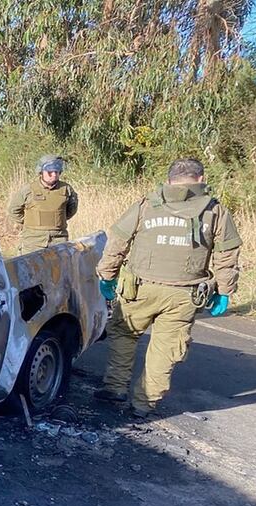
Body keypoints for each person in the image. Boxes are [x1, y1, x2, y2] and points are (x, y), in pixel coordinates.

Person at [94, 158, 242, 417]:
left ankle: (115, 388)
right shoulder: (215, 211)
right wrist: (224, 291)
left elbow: (118, 242)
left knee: (124, 334)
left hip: (139, 290)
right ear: (201, 179)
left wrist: (107, 275)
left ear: (170, 180)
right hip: (184, 295)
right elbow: (226, 256)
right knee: (166, 348)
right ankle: (143, 403)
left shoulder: (146, 205)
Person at [7, 155, 79, 253]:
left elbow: (71, 210)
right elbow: (13, 210)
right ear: (41, 172)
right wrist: (29, 221)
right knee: (31, 267)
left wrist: (58, 219)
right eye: (50, 172)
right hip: (33, 241)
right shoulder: (28, 190)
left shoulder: (67, 189)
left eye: (56, 172)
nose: (54, 175)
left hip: (59, 239)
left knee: (59, 268)